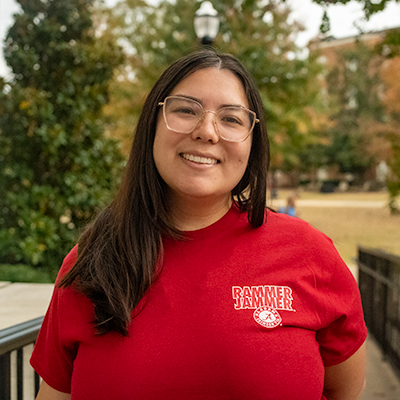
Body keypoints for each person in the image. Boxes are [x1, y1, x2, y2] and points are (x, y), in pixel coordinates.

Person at [31, 49, 367, 400]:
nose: (206, 131)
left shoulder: (310, 254)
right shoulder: (93, 261)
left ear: (253, 142)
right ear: (153, 125)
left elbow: (345, 390)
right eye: (186, 110)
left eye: (231, 119)